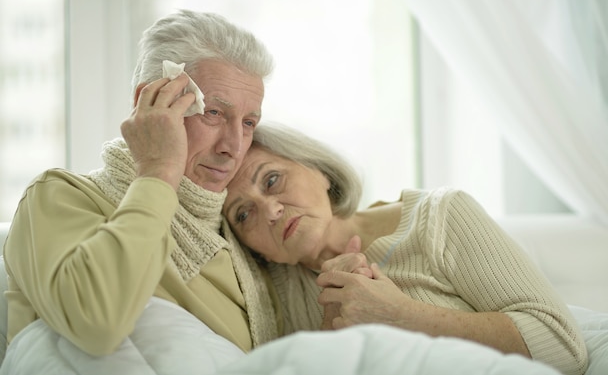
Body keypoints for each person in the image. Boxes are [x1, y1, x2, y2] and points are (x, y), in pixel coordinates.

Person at [3, 9, 280, 356]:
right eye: (213, 113)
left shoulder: (241, 229)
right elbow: (97, 322)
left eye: (249, 122)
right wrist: (158, 168)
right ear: (150, 103)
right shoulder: (59, 197)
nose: (234, 147)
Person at [222, 122, 589, 375]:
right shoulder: (270, 294)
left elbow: (563, 348)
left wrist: (402, 315)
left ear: (320, 171)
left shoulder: (441, 216)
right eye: (243, 214)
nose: (269, 211)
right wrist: (332, 341)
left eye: (271, 180)